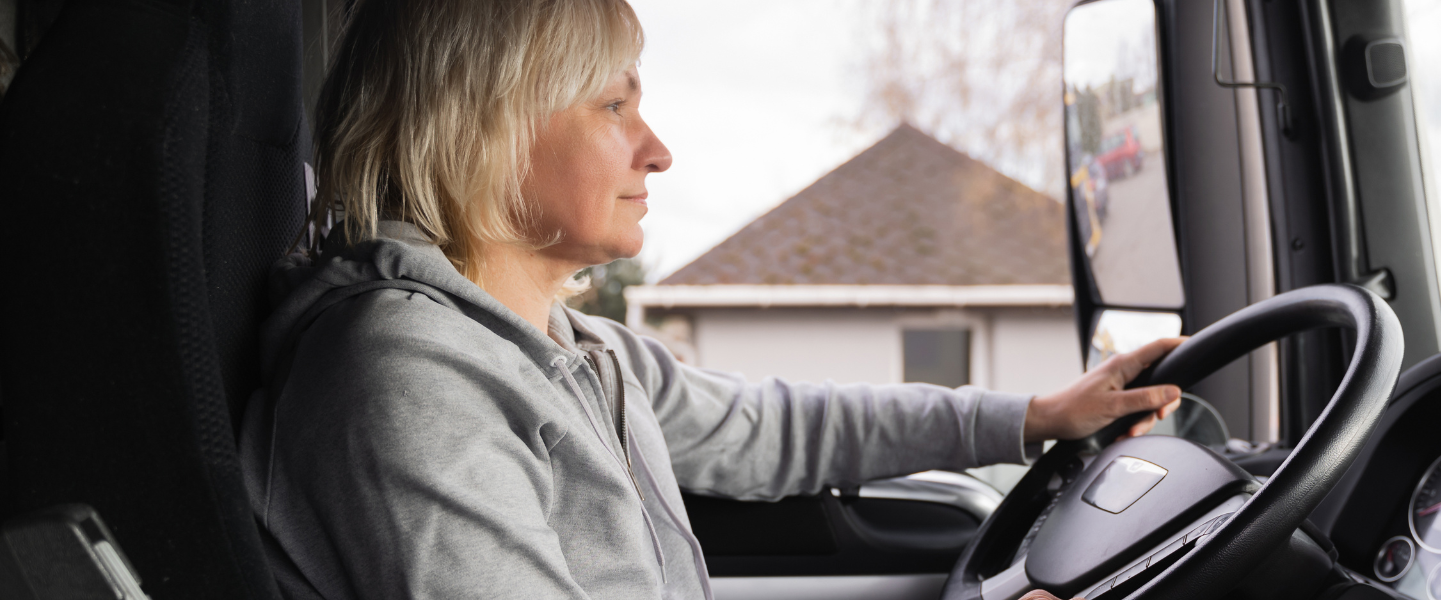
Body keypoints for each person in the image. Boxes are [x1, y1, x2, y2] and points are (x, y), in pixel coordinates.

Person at [236, 1, 1182, 598]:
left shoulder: (574, 347)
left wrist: (1032, 417)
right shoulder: (407, 381)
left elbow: (774, 426)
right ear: (484, 125)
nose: (657, 151)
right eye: (614, 105)